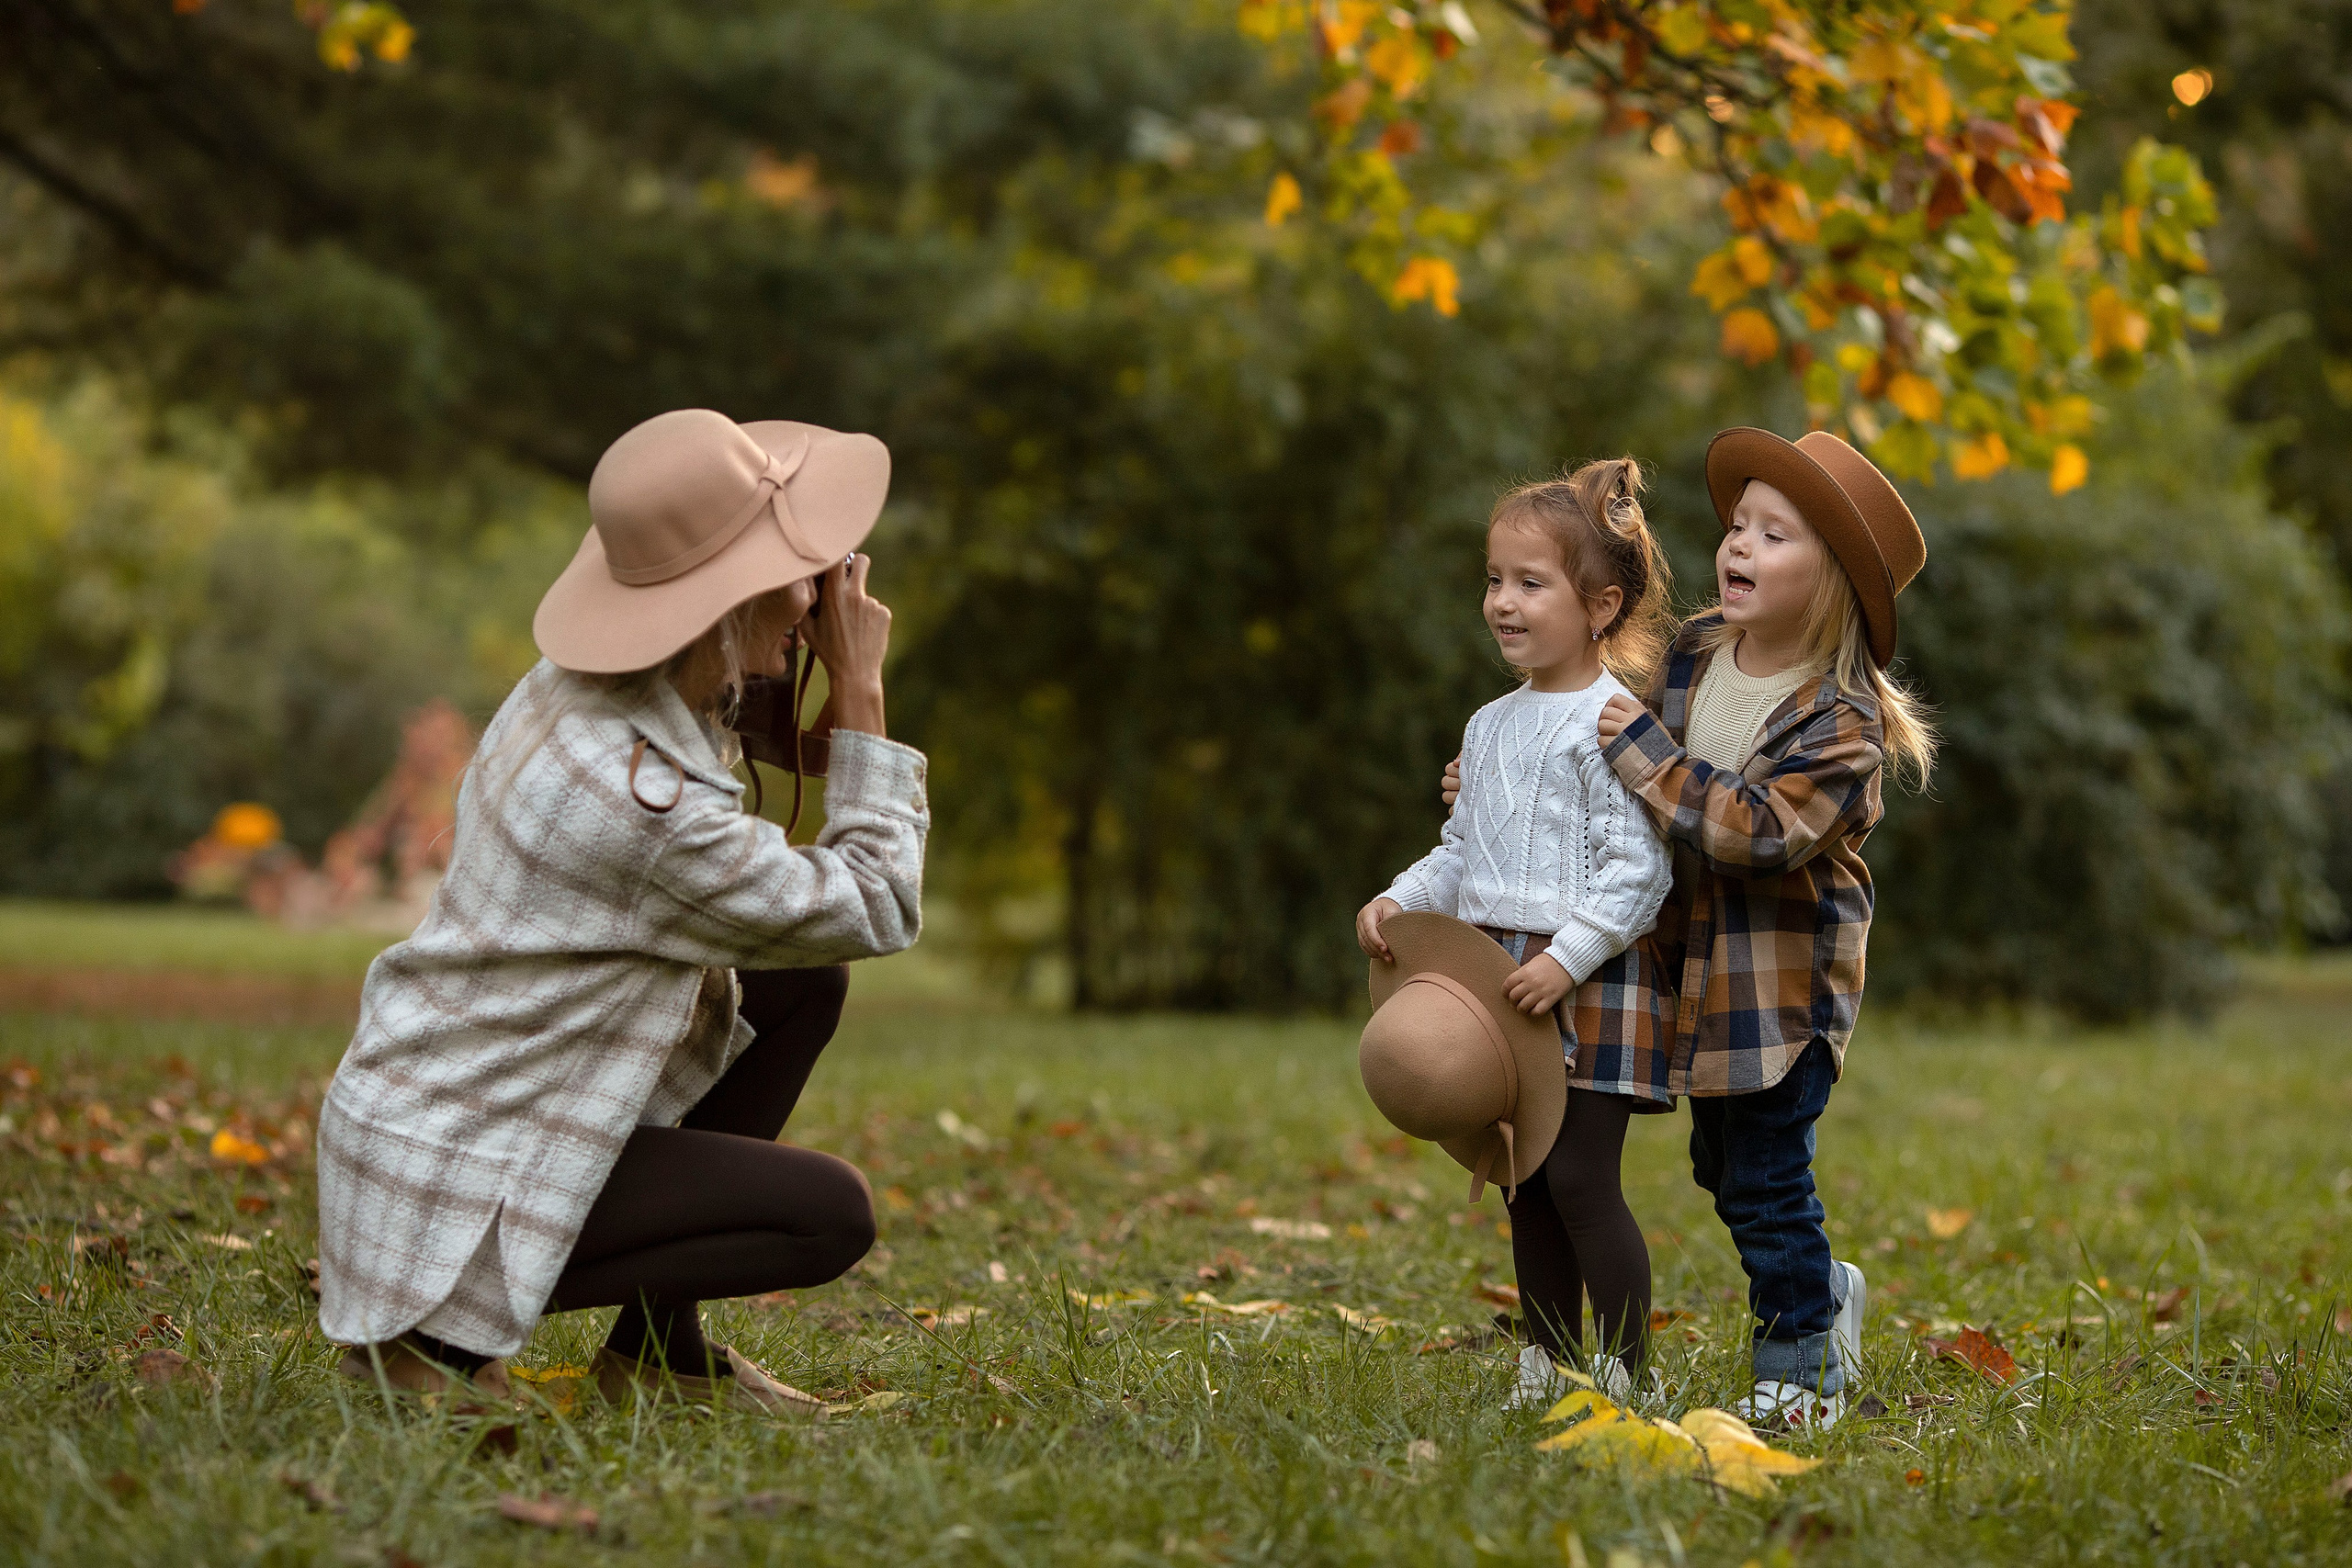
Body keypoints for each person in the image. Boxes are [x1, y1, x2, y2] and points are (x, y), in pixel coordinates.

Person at [315, 408, 929, 1412]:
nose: (823, 587)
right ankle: (426, 1349)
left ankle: (656, 1359)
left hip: (441, 1112)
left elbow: (727, 724)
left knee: (799, 980)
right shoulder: (638, 806)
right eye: (799, 568)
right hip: (455, 1180)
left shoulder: (578, 690)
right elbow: (872, 902)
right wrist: (860, 689)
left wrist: (793, 667)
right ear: (725, 602)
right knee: (828, 1214)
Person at [1447, 428, 1936, 1429]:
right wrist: (1503, 787)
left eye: (1774, 534)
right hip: (1689, 987)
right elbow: (1583, 770)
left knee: (1761, 1181)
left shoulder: (1838, 725)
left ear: (1834, 579)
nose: (1739, 547)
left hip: (1777, 999)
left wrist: (1636, 752)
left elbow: (1753, 834)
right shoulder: (1694, 652)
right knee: (1724, 1169)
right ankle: (1822, 1288)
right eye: (1737, 526)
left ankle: (1802, 1369)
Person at [1358, 459, 1676, 1407]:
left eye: (1529, 583)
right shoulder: (1490, 726)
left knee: (1580, 1178)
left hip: (1588, 972)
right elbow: (1465, 851)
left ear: (1600, 605)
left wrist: (1565, 958)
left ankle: (1627, 1375)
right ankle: (1546, 1362)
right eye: (1494, 580)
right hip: (1495, 975)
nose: (1502, 601)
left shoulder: (1610, 724)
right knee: (1522, 1182)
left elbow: (1640, 872)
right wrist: (1398, 901)